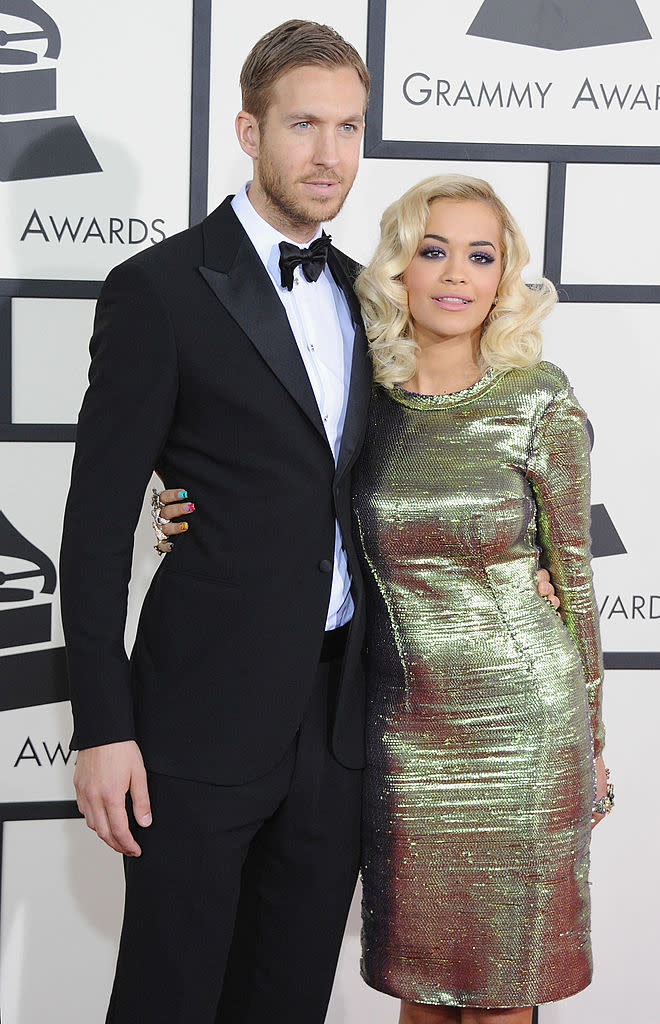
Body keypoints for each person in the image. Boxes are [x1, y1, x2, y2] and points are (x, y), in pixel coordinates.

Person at [62, 19, 560, 1024]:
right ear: (248, 130)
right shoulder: (156, 291)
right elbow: (92, 522)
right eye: (303, 125)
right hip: (198, 717)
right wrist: (102, 727)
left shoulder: (367, 300)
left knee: (287, 999)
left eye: (349, 128)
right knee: (167, 994)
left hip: (340, 728)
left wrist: (527, 567)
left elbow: (411, 471)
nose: (330, 155)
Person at [350, 174, 610, 1024]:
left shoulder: (539, 398)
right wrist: (178, 511)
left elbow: (575, 580)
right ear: (400, 271)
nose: (456, 274)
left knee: (503, 995)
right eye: (434, 251)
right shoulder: (361, 404)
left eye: (480, 255)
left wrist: (594, 743)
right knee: (420, 991)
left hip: (525, 730)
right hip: (404, 733)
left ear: (504, 279)